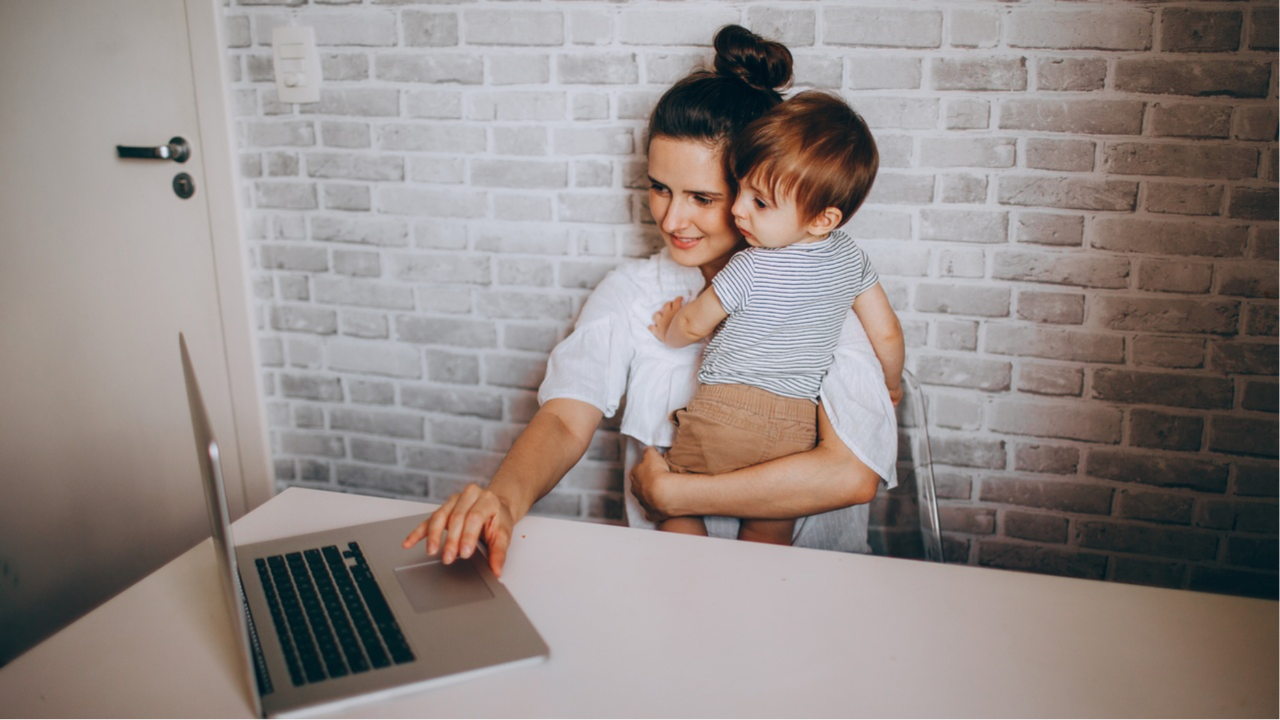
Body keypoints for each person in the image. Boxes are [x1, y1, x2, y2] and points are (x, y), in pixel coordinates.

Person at [402, 25, 900, 577]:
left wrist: (676, 498)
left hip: (814, 595)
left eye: (701, 197)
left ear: (758, 189)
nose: (670, 219)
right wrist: (505, 497)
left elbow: (850, 474)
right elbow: (567, 418)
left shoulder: (819, 298)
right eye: (660, 187)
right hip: (670, 594)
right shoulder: (634, 291)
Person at [648, 91, 904, 545]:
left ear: (824, 219)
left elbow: (692, 325)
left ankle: (684, 577)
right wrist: (891, 383)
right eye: (741, 189)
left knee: (672, 500)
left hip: (722, 415)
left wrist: (667, 329)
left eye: (760, 203)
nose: (739, 209)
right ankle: (756, 602)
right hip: (795, 428)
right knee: (770, 526)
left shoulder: (748, 266)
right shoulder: (851, 260)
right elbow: (885, 331)